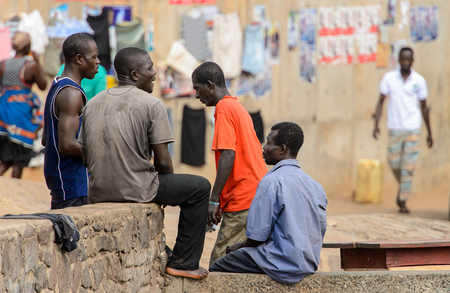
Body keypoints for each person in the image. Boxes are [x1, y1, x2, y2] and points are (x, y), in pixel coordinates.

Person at [78, 47, 210, 280]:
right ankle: (184, 262)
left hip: (98, 191)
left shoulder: (92, 104)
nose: (155, 74)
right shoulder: (152, 104)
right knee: (200, 188)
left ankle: (174, 254)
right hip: (138, 188)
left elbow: (85, 156)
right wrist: (165, 187)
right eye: (150, 68)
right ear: (135, 74)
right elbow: (164, 162)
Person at [209, 122, 328, 285]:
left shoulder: (270, 182)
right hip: (307, 263)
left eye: (268, 143)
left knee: (219, 266)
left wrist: (239, 246)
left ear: (282, 149)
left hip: (280, 262)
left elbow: (257, 236)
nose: (263, 148)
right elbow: (320, 230)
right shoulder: (316, 186)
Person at [191, 62, 267, 266]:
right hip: (254, 194)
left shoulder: (224, 108)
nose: (197, 96)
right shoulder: (236, 107)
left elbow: (228, 154)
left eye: (197, 89)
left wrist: (214, 200)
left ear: (210, 85)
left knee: (219, 264)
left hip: (244, 198)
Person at [42, 33, 100, 210]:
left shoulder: (58, 85)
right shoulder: (72, 94)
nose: (98, 62)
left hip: (63, 183)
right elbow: (67, 145)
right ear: (79, 59)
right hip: (73, 185)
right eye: (94, 57)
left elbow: (46, 139)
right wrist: (101, 155)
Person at [373, 47, 433, 214]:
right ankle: (404, 186)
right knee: (393, 162)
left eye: (408, 59)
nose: (405, 62)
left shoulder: (419, 80)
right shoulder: (389, 78)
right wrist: (376, 124)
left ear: (412, 60)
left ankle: (402, 199)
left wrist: (430, 133)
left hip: (413, 128)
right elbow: (380, 102)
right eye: (403, 59)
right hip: (395, 128)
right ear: (398, 60)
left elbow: (424, 107)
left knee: (408, 166)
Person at [0, 31, 48, 178]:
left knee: (7, 157)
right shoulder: (31, 65)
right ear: (28, 46)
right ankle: (14, 193)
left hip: (4, 113)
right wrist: (38, 62)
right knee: (19, 160)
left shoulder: (3, 64)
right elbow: (43, 85)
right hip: (22, 114)